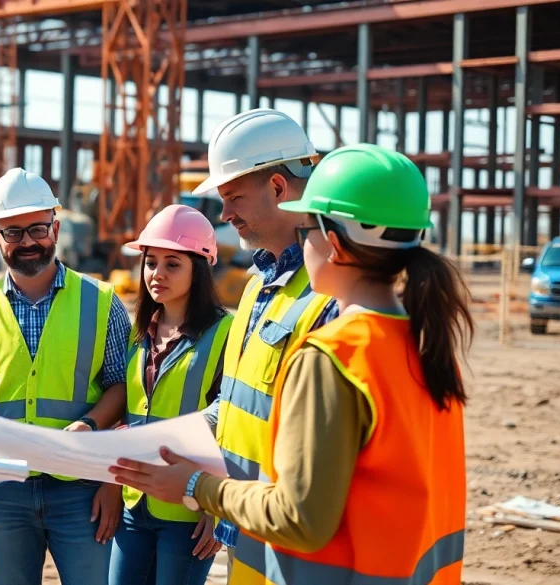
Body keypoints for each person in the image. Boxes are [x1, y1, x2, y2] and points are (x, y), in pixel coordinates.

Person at [110, 143, 470, 585]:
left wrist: (192, 486)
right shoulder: (424, 345)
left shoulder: (333, 358)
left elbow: (299, 519)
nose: (303, 243)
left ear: (333, 245)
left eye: (307, 229)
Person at [0, 167, 132, 585]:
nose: (27, 241)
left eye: (37, 229)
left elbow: (121, 386)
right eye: (13, 232)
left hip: (81, 488)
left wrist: (93, 433)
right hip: (3, 491)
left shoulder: (102, 301)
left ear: (56, 227)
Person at [188, 108, 340, 556]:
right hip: (244, 522)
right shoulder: (256, 287)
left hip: (291, 536)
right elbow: (239, 403)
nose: (225, 214)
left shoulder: (330, 295)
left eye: (233, 197)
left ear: (277, 187)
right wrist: (169, 434)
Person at [108, 204, 234, 585]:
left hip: (190, 510)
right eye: (150, 262)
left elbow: (231, 420)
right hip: (134, 503)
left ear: (200, 267)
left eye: (172, 264)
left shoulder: (226, 332)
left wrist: (218, 506)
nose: (156, 274)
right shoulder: (138, 332)